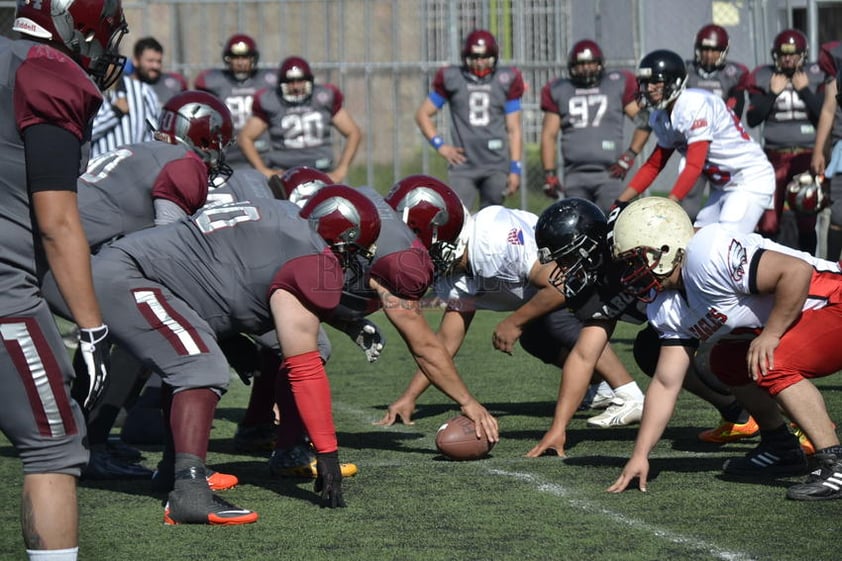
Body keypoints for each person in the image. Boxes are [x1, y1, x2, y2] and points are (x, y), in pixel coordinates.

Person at [47, 186, 382, 520]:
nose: (355, 261)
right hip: (131, 275)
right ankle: (189, 492)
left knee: (199, 353)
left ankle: (171, 469)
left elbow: (235, 280)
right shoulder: (307, 253)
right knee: (198, 365)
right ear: (341, 238)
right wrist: (327, 452)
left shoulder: (290, 223)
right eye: (355, 251)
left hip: (155, 277)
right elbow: (304, 367)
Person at [43, 90, 235, 481]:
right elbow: (168, 250)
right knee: (145, 327)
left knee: (124, 322)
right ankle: (89, 443)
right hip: (61, 258)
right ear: (204, 137)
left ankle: (87, 438)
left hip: (52, 251)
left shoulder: (140, 150)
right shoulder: (185, 164)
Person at [607, 197, 842, 501]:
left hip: (833, 301)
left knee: (773, 359)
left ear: (665, 247)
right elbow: (666, 383)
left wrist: (771, 334)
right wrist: (641, 454)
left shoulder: (707, 254)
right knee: (727, 360)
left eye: (635, 260)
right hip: (804, 317)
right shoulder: (666, 305)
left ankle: (834, 462)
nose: (631, 271)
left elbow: (796, 272)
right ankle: (780, 446)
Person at [3, 0, 127, 558]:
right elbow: (55, 221)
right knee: (54, 446)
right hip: (5, 290)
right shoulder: (47, 73)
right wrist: (93, 330)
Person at [269, 176, 500, 475]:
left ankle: (260, 429)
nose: (443, 247)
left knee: (282, 349)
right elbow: (424, 346)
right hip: (268, 274)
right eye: (443, 237)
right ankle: (286, 447)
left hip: (273, 260)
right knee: (309, 351)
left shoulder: (376, 208)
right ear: (419, 226)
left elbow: (334, 270)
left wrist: (345, 320)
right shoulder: (402, 259)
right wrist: (468, 402)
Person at [375, 202, 645, 431]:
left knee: (555, 320)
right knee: (534, 337)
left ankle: (628, 393)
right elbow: (444, 344)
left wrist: (513, 322)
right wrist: (409, 397)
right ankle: (600, 389)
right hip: (549, 291)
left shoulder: (491, 239)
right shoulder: (459, 270)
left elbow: (561, 283)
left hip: (580, 277)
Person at [522, 199, 752, 457]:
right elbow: (584, 355)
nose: (564, 268)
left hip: (722, 301)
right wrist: (559, 427)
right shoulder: (595, 283)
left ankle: (787, 416)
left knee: (715, 359)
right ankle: (737, 413)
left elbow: (694, 240)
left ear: (592, 244)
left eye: (568, 257)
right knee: (649, 350)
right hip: (679, 320)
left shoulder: (637, 235)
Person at [615, 49, 775, 234]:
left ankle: (798, 262)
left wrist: (670, 205)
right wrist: (620, 202)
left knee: (726, 242)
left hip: (750, 179)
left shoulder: (694, 104)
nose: (648, 88)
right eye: (645, 82)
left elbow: (694, 165)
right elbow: (653, 165)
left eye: (655, 82)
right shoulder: (661, 115)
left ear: (674, 82)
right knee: (695, 240)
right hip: (724, 186)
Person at [415, 29, 525, 211]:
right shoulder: (453, 78)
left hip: (495, 164)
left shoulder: (507, 79)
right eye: (474, 57)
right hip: (463, 166)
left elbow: (514, 129)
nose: (480, 62)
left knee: (492, 219)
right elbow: (422, 114)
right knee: (459, 219)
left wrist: (515, 168)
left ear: (494, 56)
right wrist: (441, 146)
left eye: (484, 57)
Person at [540, 39, 651, 212]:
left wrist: (630, 155)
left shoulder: (615, 83)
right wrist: (549, 174)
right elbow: (549, 134)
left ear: (600, 64)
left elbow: (645, 121)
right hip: (574, 175)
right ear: (572, 66)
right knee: (578, 229)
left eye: (590, 63)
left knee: (613, 227)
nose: (586, 68)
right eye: (581, 64)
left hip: (609, 174)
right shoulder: (560, 89)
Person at [746, 29, 825, 253]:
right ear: (775, 55)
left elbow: (824, 114)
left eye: (793, 54)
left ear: (803, 55)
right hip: (774, 156)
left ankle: (810, 271)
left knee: (807, 220)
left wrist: (805, 91)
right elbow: (753, 119)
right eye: (783, 54)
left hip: (807, 155)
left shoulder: (816, 75)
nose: (788, 58)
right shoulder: (764, 76)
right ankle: (767, 273)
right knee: (768, 222)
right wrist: (771, 93)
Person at [238, 56, 362, 183]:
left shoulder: (323, 97)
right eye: (290, 82)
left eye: (300, 81)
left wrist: (341, 170)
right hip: (284, 174)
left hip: (321, 171)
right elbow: (245, 137)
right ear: (281, 83)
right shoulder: (271, 100)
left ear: (309, 80)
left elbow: (353, 132)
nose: (296, 86)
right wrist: (263, 170)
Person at [680, 24, 751, 220]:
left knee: (724, 206)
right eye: (705, 49)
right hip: (694, 145)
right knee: (688, 206)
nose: (709, 55)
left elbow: (734, 112)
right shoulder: (685, 71)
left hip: (722, 149)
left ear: (724, 51)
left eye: (715, 50)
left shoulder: (734, 73)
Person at [195, 34, 277, 171]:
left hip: (261, 150)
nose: (240, 62)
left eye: (245, 57)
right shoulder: (214, 81)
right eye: (236, 57)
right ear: (228, 59)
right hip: (228, 150)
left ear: (253, 58)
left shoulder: (268, 80)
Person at [90, 44, 161, 157]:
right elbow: (84, 135)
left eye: (111, 62)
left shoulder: (142, 91)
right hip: (99, 170)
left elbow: (154, 134)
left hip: (137, 168)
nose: (108, 68)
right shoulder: (88, 92)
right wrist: (114, 113)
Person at [810, 42, 842, 260]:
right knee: (838, 212)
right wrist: (818, 150)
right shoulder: (837, 63)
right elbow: (829, 109)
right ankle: (832, 274)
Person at [131, 36, 188, 107]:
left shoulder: (173, 87)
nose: (156, 66)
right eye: (150, 61)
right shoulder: (126, 88)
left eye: (159, 61)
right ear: (136, 61)